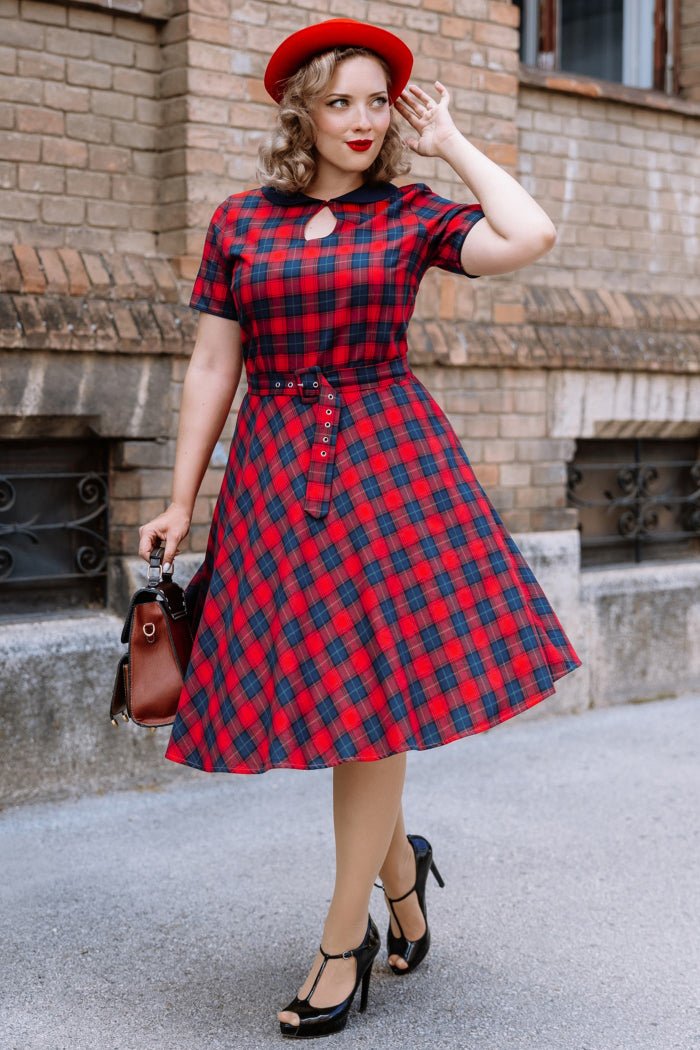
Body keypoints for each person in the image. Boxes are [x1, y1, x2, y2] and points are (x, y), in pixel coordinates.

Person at [137, 17, 582, 1040]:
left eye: (378, 101)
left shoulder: (410, 213)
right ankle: (403, 870)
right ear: (302, 109)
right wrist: (178, 497)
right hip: (277, 471)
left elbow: (529, 235)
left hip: (388, 467)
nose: (360, 119)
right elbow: (214, 365)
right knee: (335, 690)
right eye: (340, 99)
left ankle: (341, 944)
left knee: (370, 694)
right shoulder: (241, 222)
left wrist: (455, 145)